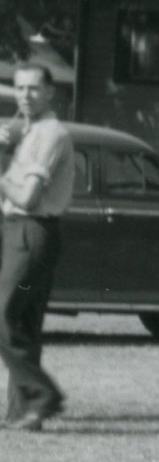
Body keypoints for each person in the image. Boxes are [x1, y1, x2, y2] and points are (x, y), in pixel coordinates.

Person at [1, 64, 75, 431]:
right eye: (19, 88)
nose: (25, 95)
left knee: (3, 315)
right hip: (22, 231)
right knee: (23, 324)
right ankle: (24, 412)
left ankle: (45, 395)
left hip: (31, 230)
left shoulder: (49, 135)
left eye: (33, 88)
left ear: (50, 92)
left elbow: (28, 198)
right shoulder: (29, 133)